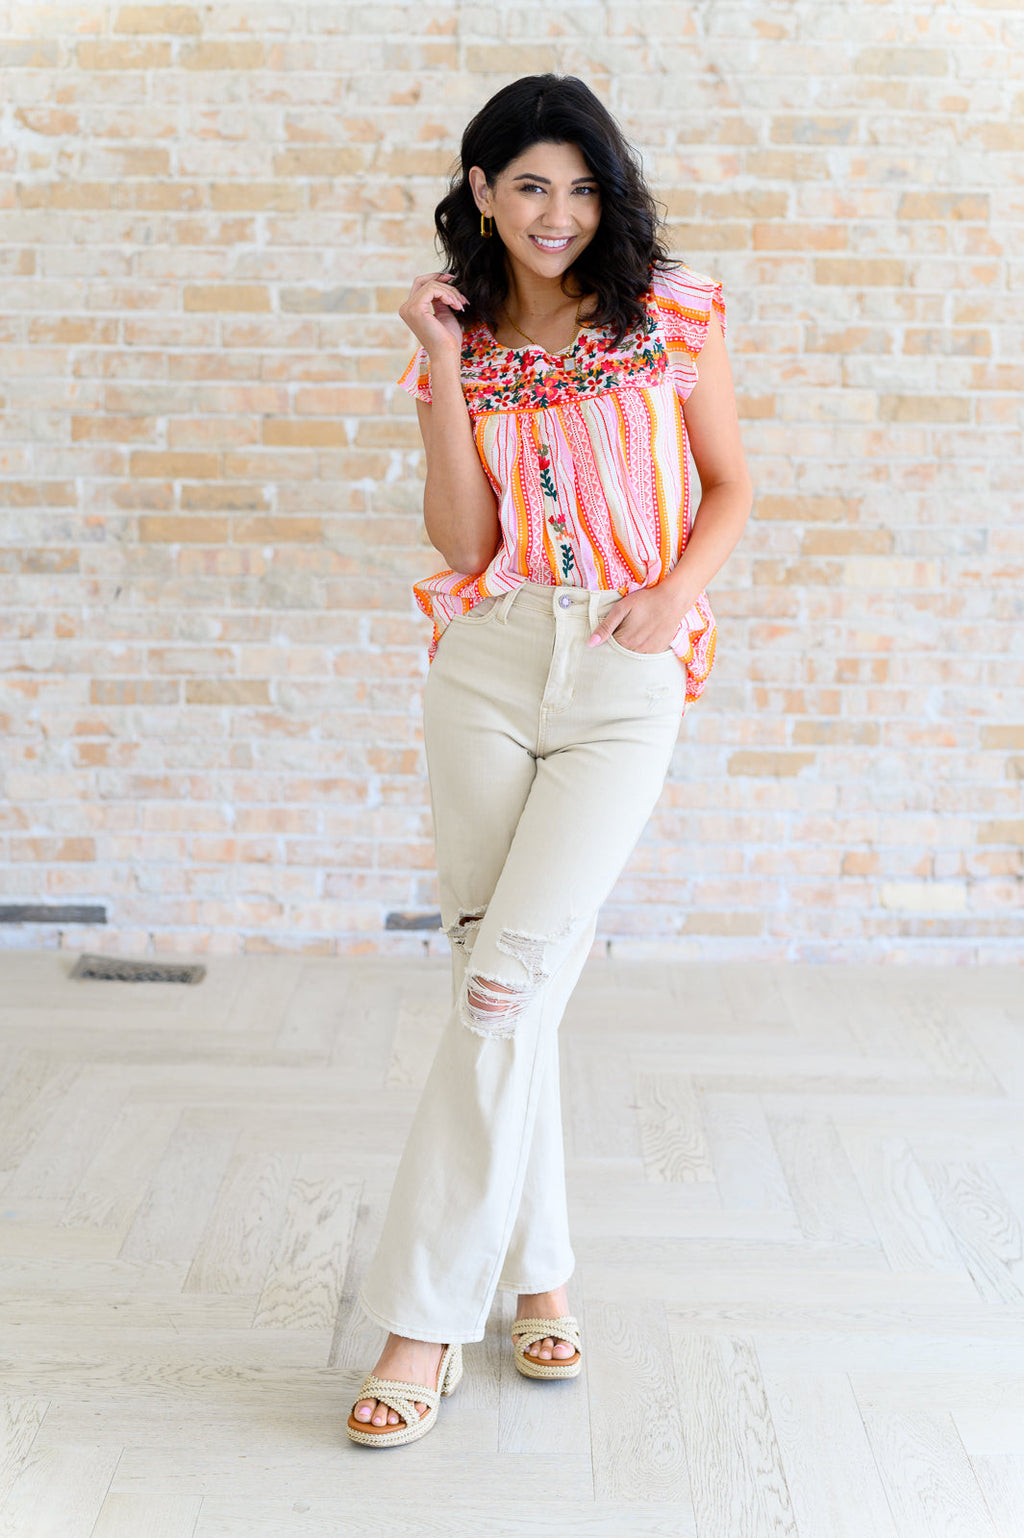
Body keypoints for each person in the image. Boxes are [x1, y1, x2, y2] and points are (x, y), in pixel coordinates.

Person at [347, 74, 752, 1448]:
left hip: (628, 672)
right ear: (481, 191)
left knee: (504, 981)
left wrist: (673, 597)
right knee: (497, 981)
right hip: (490, 662)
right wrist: (445, 365)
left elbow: (731, 483)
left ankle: (418, 1321)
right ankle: (542, 1272)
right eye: (529, 185)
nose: (558, 214)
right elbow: (463, 546)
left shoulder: (670, 312)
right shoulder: (458, 341)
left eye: (581, 187)